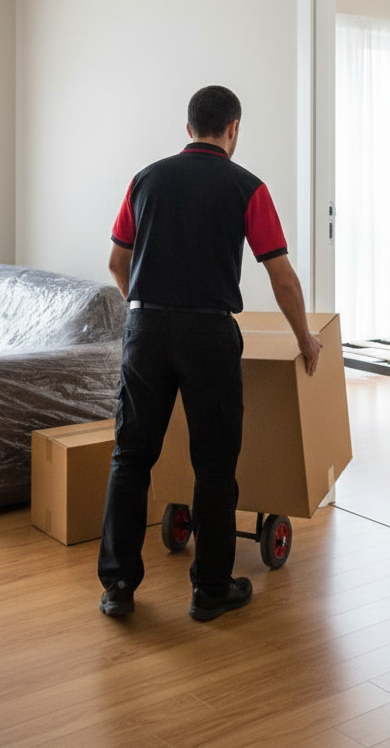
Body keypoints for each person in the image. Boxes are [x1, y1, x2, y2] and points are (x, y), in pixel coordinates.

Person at [98, 85, 322, 622]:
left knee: (131, 458)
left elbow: (115, 263)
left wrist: (148, 309)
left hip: (145, 330)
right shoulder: (248, 187)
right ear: (233, 129)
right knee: (215, 465)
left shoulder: (145, 180)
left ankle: (119, 587)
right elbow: (282, 278)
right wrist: (304, 338)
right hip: (209, 335)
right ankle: (210, 591)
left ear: (188, 126)